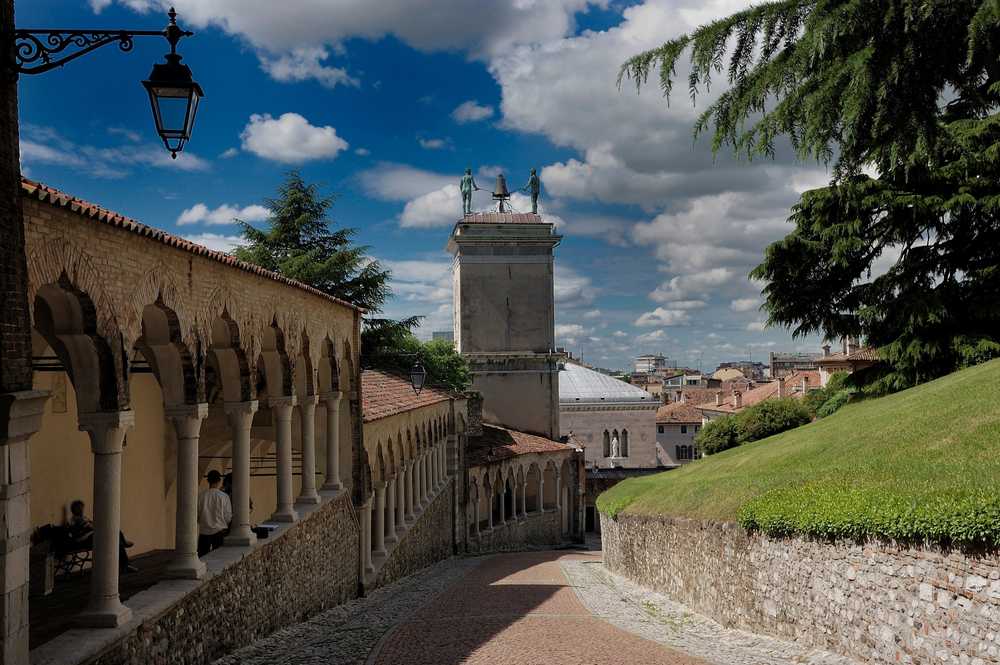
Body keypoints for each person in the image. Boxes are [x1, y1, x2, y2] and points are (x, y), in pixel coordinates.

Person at [67, 499, 137, 573]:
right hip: (85, 541)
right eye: (80, 508)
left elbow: (92, 526)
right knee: (115, 539)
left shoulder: (81, 518)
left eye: (82, 508)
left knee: (115, 537)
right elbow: (80, 536)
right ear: (76, 509)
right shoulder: (76, 520)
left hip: (92, 537)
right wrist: (93, 528)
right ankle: (125, 563)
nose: (82, 510)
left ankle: (124, 563)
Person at [198, 470, 232, 556]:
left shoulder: (201, 496)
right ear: (219, 481)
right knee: (219, 559)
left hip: (204, 533)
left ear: (208, 481)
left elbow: (196, 515)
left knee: (202, 558)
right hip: (219, 533)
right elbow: (228, 517)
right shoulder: (224, 497)